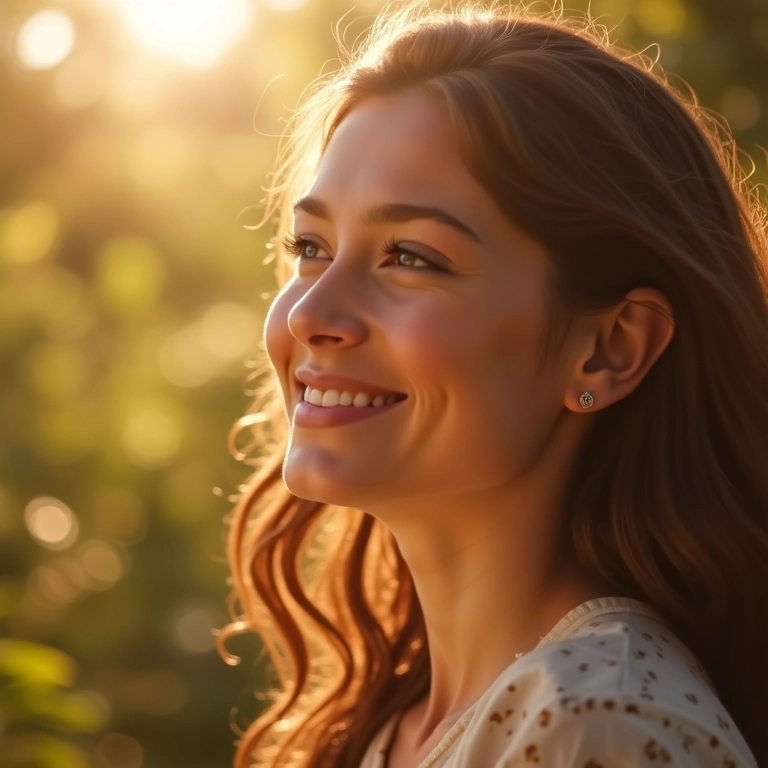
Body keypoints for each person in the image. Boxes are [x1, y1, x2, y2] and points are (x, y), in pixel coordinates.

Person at [218, 3, 768, 766]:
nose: (311, 312)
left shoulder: (600, 724)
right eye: (311, 246)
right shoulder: (405, 723)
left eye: (410, 257)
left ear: (610, 348)